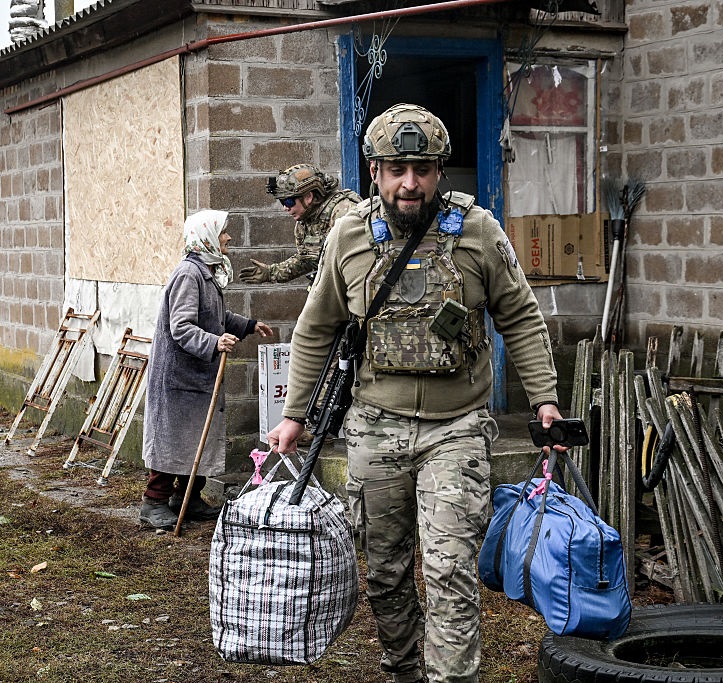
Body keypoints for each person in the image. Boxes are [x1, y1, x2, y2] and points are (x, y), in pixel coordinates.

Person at [267, 103, 563, 683]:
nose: (410, 182)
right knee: (384, 571)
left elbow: (521, 317)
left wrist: (544, 398)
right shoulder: (348, 237)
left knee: (450, 569)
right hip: (374, 426)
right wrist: (294, 415)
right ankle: (403, 669)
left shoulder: (478, 231)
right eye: (397, 168)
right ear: (374, 170)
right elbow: (315, 327)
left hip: (456, 429)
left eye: (422, 169)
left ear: (438, 172)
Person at [140, 209, 273, 531]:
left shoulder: (206, 273)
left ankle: (188, 498)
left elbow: (215, 316)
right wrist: (214, 343)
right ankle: (153, 503)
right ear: (208, 238)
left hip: (196, 375)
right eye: (223, 232)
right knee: (174, 440)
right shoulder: (189, 274)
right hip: (179, 378)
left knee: (196, 439)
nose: (229, 237)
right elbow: (182, 326)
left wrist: (249, 325)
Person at [238, 163, 360, 284]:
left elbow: (360, 262)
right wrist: (271, 273)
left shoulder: (344, 212)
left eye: (289, 201)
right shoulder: (305, 221)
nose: (285, 208)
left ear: (308, 197)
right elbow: (305, 259)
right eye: (282, 202)